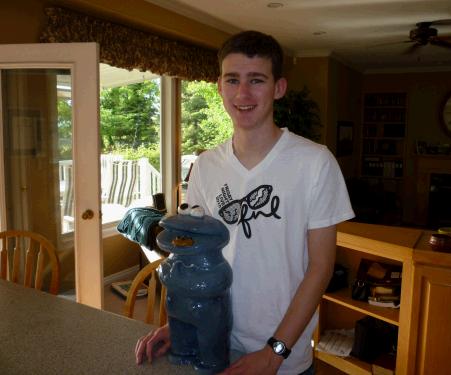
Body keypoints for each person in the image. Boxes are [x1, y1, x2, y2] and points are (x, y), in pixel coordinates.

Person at [135, 30, 355, 375]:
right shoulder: (206, 166)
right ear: (219, 86)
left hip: (283, 355)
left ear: (278, 88)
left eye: (256, 80)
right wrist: (182, 325)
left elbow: (320, 268)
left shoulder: (315, 163)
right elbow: (195, 259)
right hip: (213, 340)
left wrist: (274, 352)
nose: (243, 93)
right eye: (232, 79)